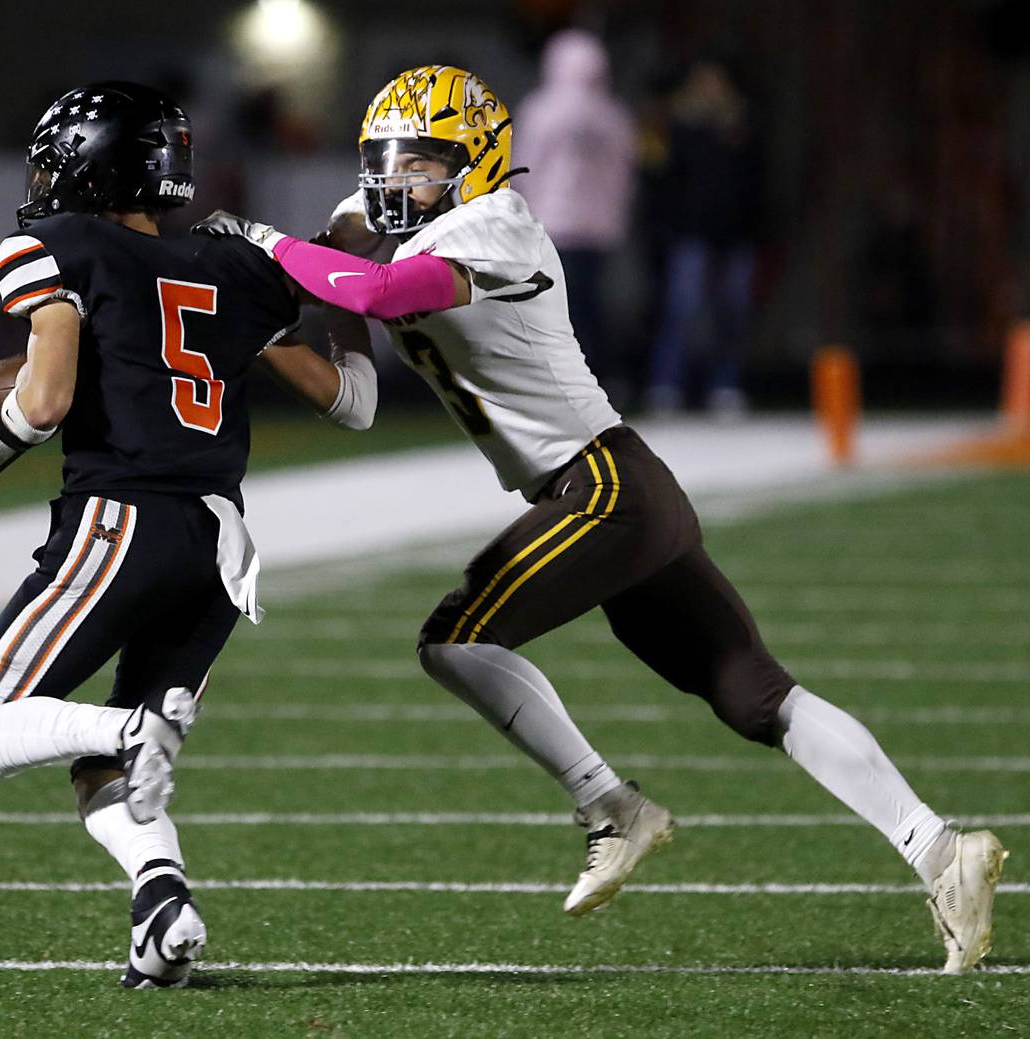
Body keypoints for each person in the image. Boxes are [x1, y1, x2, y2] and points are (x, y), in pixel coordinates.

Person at [195, 64, 1008, 974]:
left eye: (422, 163)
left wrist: (264, 241)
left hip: (601, 488)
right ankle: (942, 849)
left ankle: (610, 805)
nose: (397, 182)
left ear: (478, 161)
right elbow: (346, 326)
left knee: (454, 641)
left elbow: (377, 293)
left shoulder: (491, 225)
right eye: (388, 163)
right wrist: (266, 294)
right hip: (618, 488)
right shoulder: (411, 213)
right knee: (757, 696)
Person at [0, 82, 376, 989]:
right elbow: (350, 402)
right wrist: (353, 290)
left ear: (89, 167)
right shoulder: (225, 266)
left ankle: (133, 727)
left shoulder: (53, 244)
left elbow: (49, 396)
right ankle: (161, 903)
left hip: (121, 521)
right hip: (220, 546)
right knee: (102, 770)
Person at [513, 30, 635, 403]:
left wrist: (520, 215)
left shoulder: (540, 110)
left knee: (551, 306)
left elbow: (523, 167)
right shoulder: (612, 114)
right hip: (597, 227)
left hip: (551, 223)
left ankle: (557, 382)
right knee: (589, 305)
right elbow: (623, 173)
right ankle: (591, 378)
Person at [644, 57, 763, 417]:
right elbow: (661, 179)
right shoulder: (679, 126)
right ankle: (667, 385)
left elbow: (756, 182)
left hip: (735, 233)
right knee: (683, 309)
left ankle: (724, 385)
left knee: (733, 311)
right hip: (691, 232)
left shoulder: (742, 125)